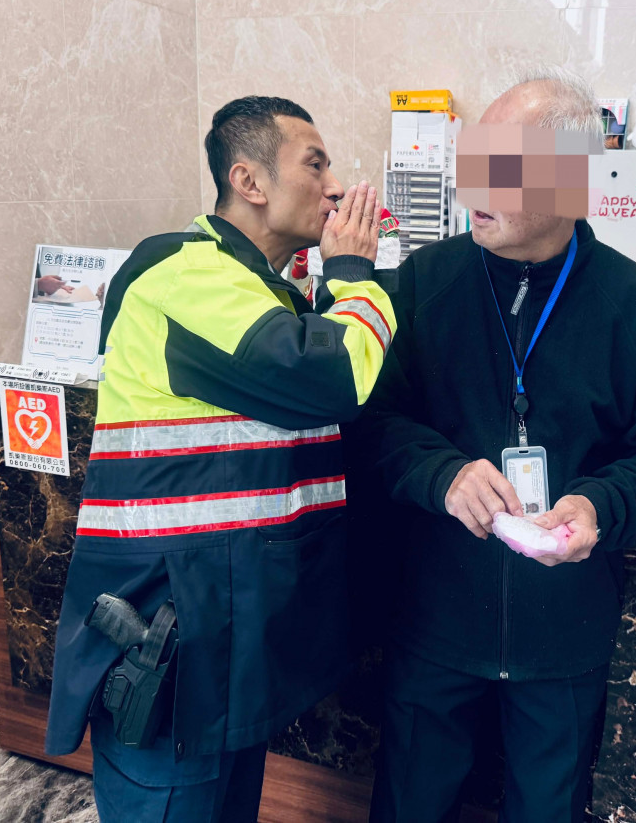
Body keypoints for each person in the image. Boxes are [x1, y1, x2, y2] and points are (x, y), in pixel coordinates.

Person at [357, 68, 636, 823]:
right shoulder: (424, 283)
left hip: (565, 629)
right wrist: (443, 474)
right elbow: (375, 418)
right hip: (436, 615)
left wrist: (600, 504)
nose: (475, 187)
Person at [44, 95, 396, 822]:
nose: (335, 187)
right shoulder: (182, 272)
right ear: (249, 180)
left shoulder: (262, 289)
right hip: (168, 642)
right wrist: (356, 274)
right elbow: (331, 377)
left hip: (226, 638)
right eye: (316, 165)